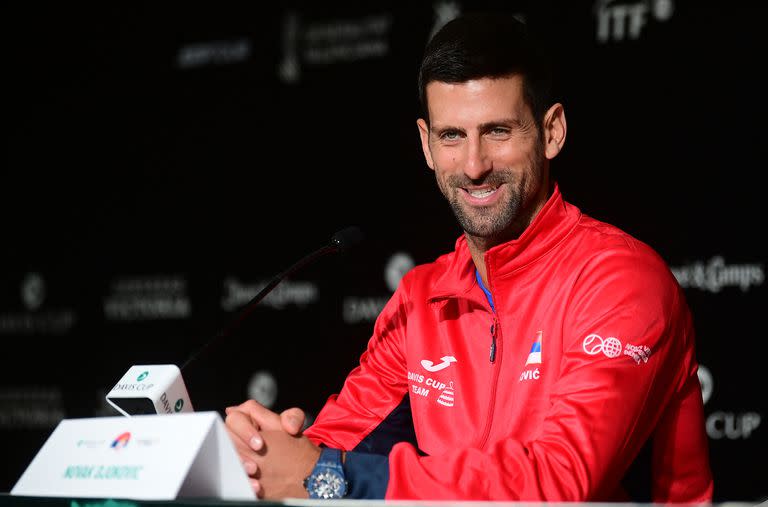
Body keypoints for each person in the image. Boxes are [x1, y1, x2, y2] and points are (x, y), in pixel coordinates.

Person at [224, 11, 713, 502]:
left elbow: (562, 484)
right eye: (452, 136)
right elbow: (341, 443)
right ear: (427, 145)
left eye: (497, 131)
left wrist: (331, 474)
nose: (475, 165)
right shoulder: (421, 298)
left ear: (552, 132)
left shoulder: (621, 281)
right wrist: (266, 452)